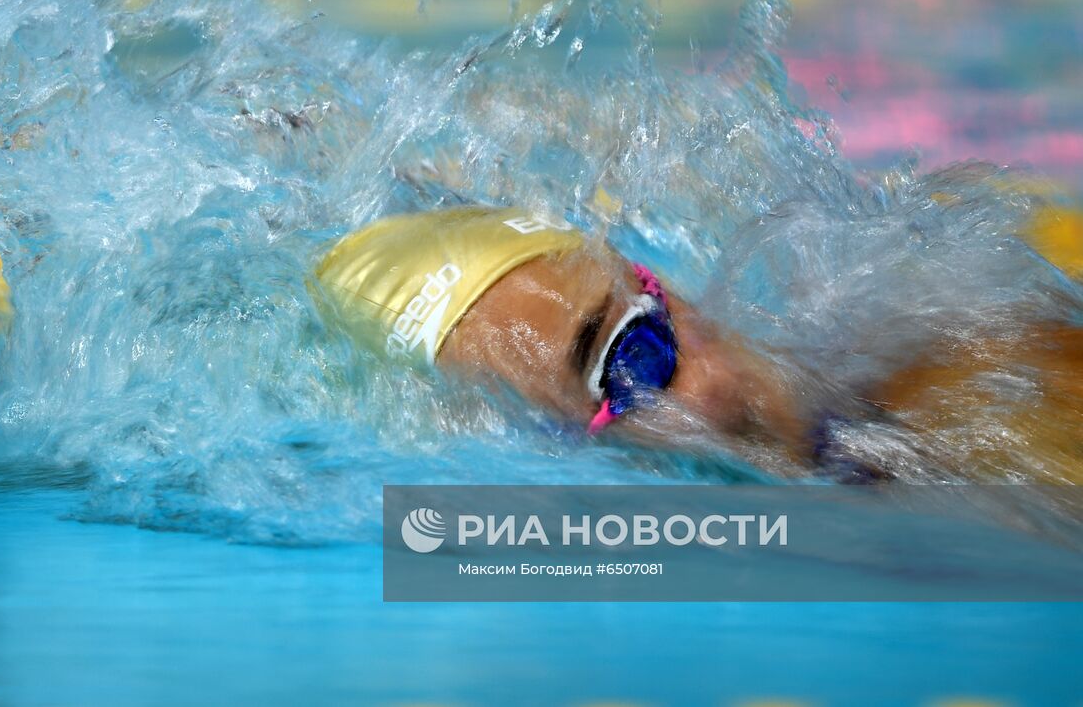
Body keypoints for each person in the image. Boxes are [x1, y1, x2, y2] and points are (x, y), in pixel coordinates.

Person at [310, 205, 1083, 482]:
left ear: (659, 282)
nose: (700, 396)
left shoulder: (1003, 385)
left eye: (640, 340)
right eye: (622, 388)